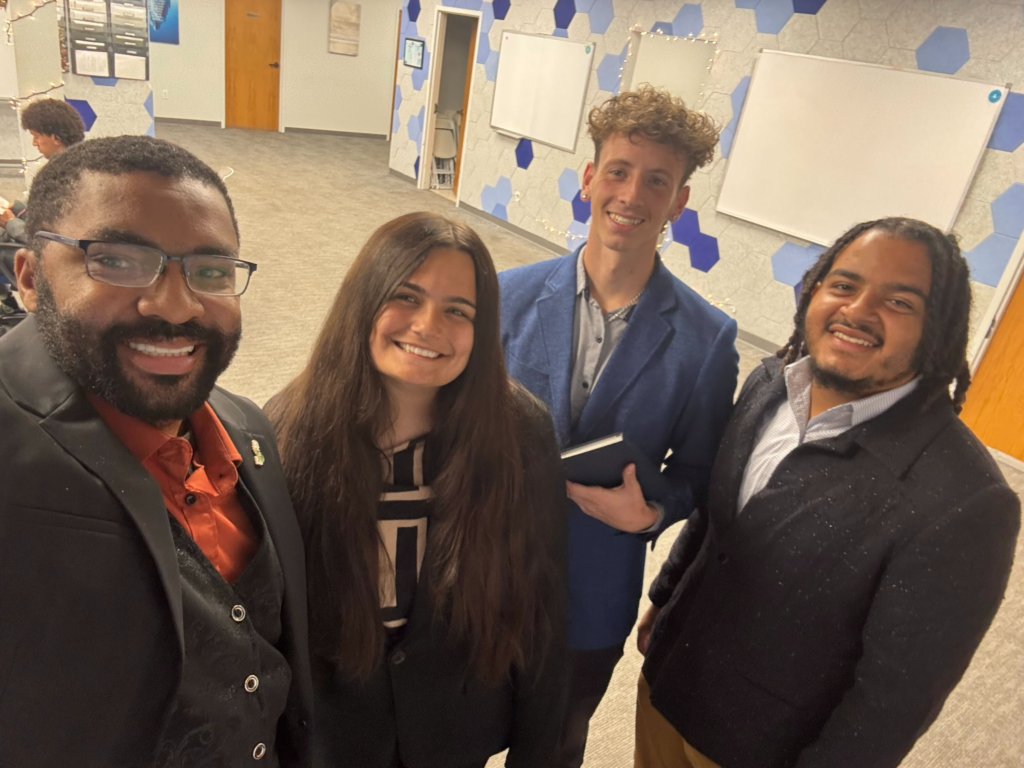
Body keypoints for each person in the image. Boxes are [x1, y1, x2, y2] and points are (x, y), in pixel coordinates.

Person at [635, 217, 1021, 768]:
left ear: (937, 328)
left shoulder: (965, 502)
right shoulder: (770, 381)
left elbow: (893, 701)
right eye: (844, 285)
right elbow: (717, 519)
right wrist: (666, 596)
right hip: (668, 683)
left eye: (899, 302)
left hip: (757, 748)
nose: (858, 310)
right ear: (814, 290)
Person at [0, 135, 313, 767]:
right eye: (115, 260)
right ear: (30, 279)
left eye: (211, 270)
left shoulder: (246, 428)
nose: (174, 304)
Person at [266, 212, 568, 768]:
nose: (428, 325)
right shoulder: (287, 430)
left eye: (458, 310)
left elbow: (540, 605)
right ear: (364, 301)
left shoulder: (520, 433)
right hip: (333, 738)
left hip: (455, 731)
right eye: (406, 296)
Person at [498, 85, 739, 767]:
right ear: (589, 178)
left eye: (656, 180)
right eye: (619, 171)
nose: (632, 194)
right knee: (446, 738)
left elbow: (699, 474)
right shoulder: (505, 295)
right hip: (483, 572)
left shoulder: (707, 339)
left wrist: (651, 514)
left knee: (552, 751)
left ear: (679, 201)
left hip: (592, 592)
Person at [1, 98, 86, 244]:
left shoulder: (72, 176)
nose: (34, 143)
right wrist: (16, 207)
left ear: (56, 138)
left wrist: (10, 223)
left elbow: (53, 240)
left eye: (36, 136)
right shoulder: (64, 168)